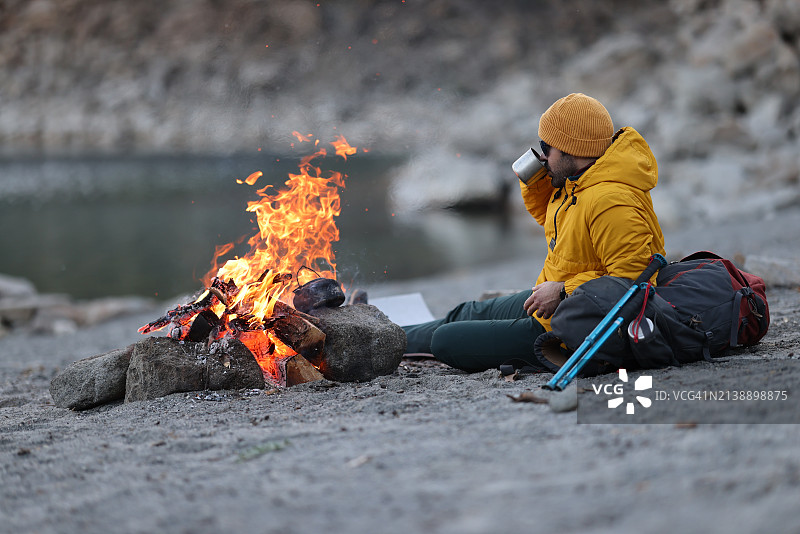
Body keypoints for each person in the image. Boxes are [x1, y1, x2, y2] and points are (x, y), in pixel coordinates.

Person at [403, 93, 666, 372]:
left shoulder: (611, 201)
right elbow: (554, 223)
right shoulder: (579, 181)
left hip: (571, 326)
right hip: (550, 301)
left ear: (569, 150)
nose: (541, 154)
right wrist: (540, 178)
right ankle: (385, 336)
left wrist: (563, 291)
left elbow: (633, 282)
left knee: (446, 340)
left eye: (546, 147)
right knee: (464, 313)